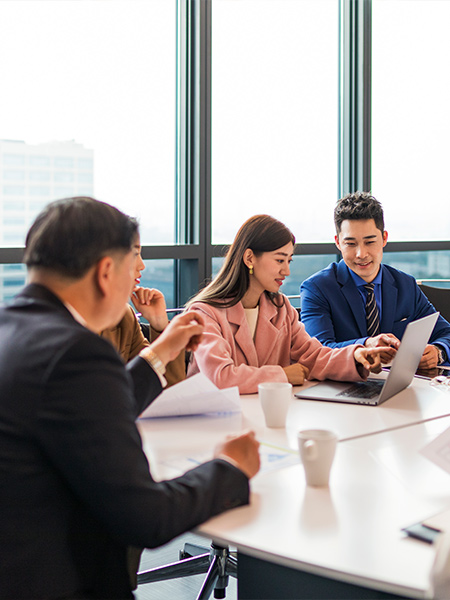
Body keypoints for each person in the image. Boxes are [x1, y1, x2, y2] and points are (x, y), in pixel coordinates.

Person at [0, 196, 260, 600]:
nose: (138, 272)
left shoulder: (12, 329)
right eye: (131, 263)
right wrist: (229, 468)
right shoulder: (77, 354)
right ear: (106, 271)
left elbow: (85, 406)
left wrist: (161, 351)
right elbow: (145, 517)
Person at [185, 214, 392, 394]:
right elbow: (220, 377)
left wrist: (356, 355)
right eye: (279, 260)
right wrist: (282, 375)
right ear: (249, 258)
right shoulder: (204, 313)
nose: (287, 271)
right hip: (214, 423)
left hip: (265, 416)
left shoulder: (280, 307)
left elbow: (314, 356)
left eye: (289, 261)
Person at [300, 191, 450, 369]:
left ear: (384, 238)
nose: (361, 254)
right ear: (338, 243)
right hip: (345, 386)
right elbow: (317, 351)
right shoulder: (317, 288)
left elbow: (446, 333)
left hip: (401, 386)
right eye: (350, 243)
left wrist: (438, 351)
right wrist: (365, 345)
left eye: (369, 242)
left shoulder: (406, 285)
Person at [100, 242, 185, 387]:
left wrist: (160, 324)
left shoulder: (124, 318)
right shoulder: (62, 325)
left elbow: (168, 388)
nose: (142, 265)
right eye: (135, 254)